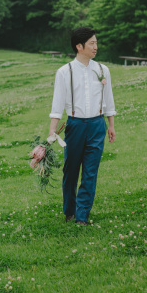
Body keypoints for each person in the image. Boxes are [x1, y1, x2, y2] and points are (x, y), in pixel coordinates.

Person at [48, 26, 116, 225]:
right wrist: (52, 130)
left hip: (97, 124)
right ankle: (69, 210)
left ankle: (82, 215)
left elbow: (109, 99)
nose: (96, 47)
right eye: (92, 43)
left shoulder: (103, 70)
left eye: (96, 42)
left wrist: (110, 125)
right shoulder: (64, 72)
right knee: (71, 170)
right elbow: (57, 104)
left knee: (90, 171)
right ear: (79, 46)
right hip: (75, 125)